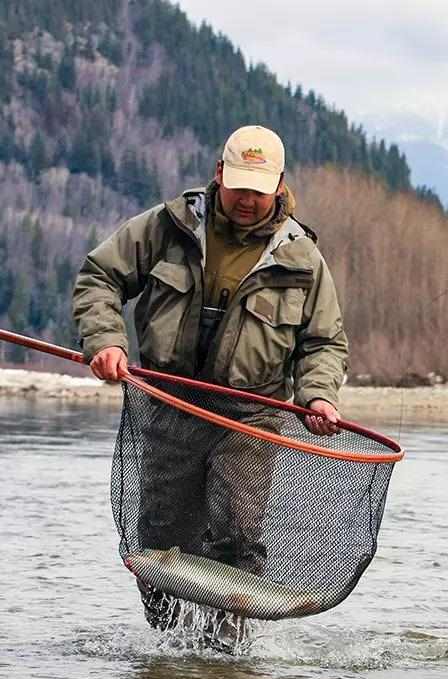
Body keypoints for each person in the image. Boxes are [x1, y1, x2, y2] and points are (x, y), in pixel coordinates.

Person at [72, 124, 349, 633]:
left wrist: (318, 395)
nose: (247, 199)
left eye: (258, 191)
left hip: (252, 417)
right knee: (160, 539)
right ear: (219, 173)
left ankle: (226, 659)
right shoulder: (166, 226)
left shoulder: (302, 257)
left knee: (237, 537)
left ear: (280, 185)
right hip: (168, 404)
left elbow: (323, 343)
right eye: (239, 185)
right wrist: (106, 342)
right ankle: (173, 659)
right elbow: (99, 276)